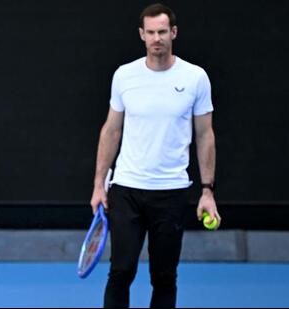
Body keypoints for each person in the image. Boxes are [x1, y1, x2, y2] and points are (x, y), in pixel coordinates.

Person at [89, 3, 221, 308]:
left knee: (164, 277)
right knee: (121, 271)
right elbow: (111, 131)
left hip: (172, 193)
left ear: (173, 33)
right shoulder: (124, 76)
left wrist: (207, 190)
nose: (157, 38)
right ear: (142, 35)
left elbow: (205, 135)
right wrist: (99, 184)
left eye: (162, 31)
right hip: (126, 190)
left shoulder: (195, 77)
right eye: (151, 32)